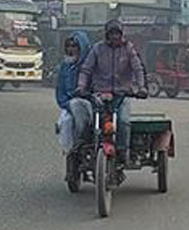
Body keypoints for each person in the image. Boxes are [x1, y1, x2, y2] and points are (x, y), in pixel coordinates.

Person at [76, 19, 146, 165]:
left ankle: (123, 152)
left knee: (123, 121)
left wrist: (141, 88)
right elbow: (86, 70)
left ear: (122, 35)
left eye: (117, 34)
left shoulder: (128, 49)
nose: (115, 37)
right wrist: (81, 87)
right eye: (112, 34)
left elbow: (138, 69)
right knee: (88, 121)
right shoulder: (97, 49)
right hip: (99, 94)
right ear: (107, 35)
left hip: (122, 95)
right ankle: (86, 149)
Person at [55, 31, 93, 159]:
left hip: (90, 103)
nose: (71, 49)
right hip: (69, 106)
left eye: (75, 46)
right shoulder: (64, 67)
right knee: (66, 122)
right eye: (69, 46)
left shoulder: (91, 65)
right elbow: (60, 93)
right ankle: (73, 151)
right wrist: (67, 104)